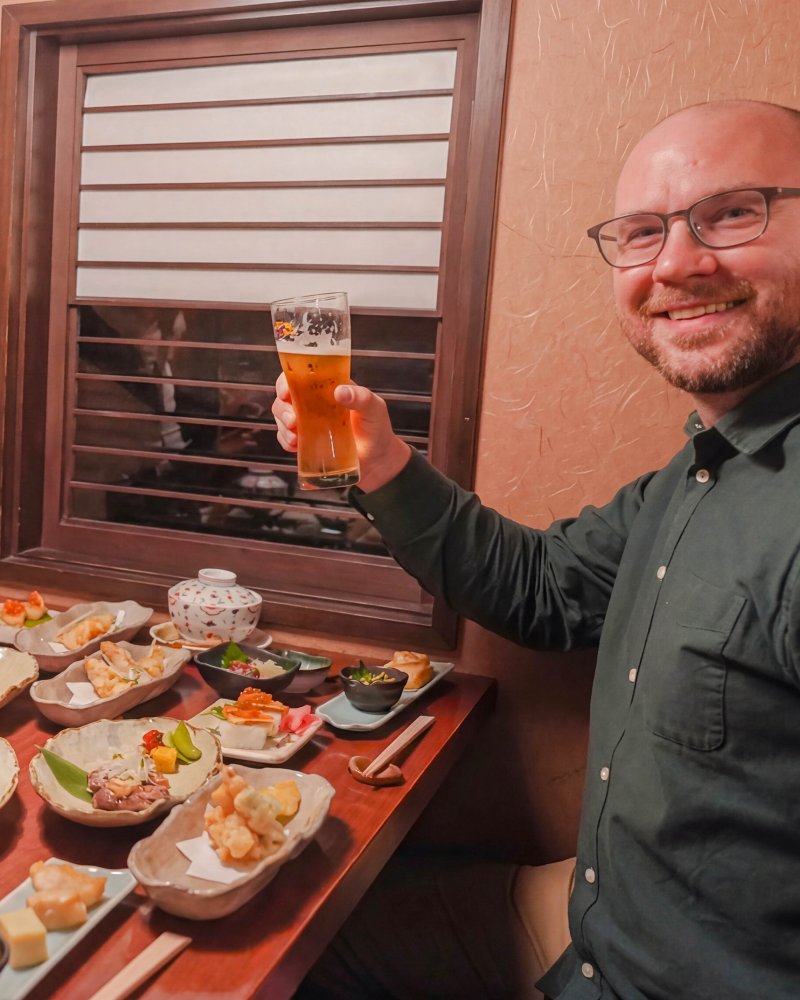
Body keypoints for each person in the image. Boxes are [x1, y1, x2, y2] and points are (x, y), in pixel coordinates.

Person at [285, 99, 800, 998]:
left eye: (732, 213)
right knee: (305, 932)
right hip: (598, 924)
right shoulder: (699, 471)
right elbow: (543, 586)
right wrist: (382, 462)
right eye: (643, 232)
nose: (677, 262)